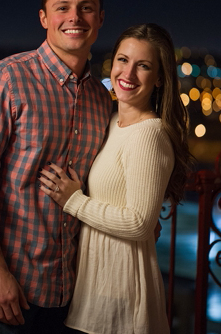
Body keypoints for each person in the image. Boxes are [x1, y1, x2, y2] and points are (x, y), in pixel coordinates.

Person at [0, 0, 110, 333]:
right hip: (4, 282)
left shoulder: (102, 100)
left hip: (65, 290)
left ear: (100, 18)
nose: (74, 17)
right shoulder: (4, 78)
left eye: (86, 8)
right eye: (63, 7)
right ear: (44, 18)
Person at [39, 23, 190, 334]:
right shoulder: (111, 124)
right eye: (123, 60)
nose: (128, 74)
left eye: (144, 66)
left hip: (123, 298)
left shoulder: (149, 134)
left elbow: (140, 223)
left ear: (160, 78)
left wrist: (74, 201)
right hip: (94, 294)